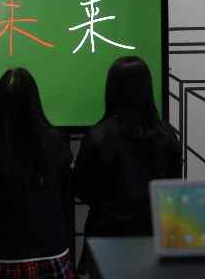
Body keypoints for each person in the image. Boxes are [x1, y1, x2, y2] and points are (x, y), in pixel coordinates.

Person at [73, 56, 182, 272]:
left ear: (112, 89)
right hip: (153, 237)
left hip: (106, 237)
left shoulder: (97, 136)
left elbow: (81, 189)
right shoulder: (167, 135)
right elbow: (174, 187)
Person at [0, 68, 75, 279]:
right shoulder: (56, 141)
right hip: (51, 250)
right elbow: (65, 194)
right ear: (35, 102)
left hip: (0, 252)